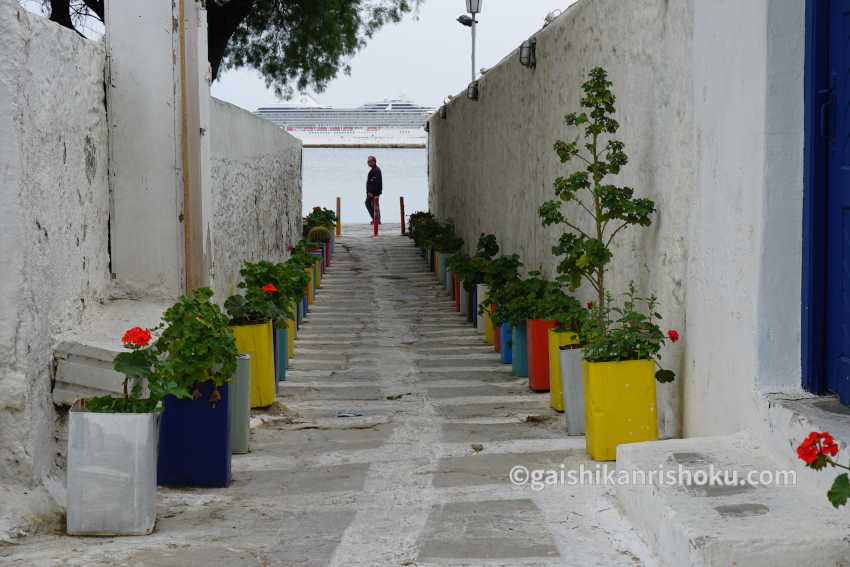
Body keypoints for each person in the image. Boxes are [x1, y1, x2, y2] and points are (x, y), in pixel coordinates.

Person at [365, 155, 382, 223]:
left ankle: (376, 219)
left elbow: (376, 183)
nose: (368, 163)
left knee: (370, 204)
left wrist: (371, 192)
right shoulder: (374, 169)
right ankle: (376, 219)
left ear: (374, 162)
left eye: (370, 161)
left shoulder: (376, 170)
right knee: (373, 205)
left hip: (374, 192)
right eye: (368, 161)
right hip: (372, 192)